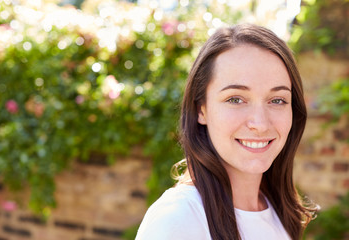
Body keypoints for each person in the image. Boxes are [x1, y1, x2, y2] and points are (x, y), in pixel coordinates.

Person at [136, 23, 317, 240]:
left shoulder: (276, 210)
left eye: (277, 100)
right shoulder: (177, 219)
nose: (260, 124)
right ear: (200, 109)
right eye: (235, 99)